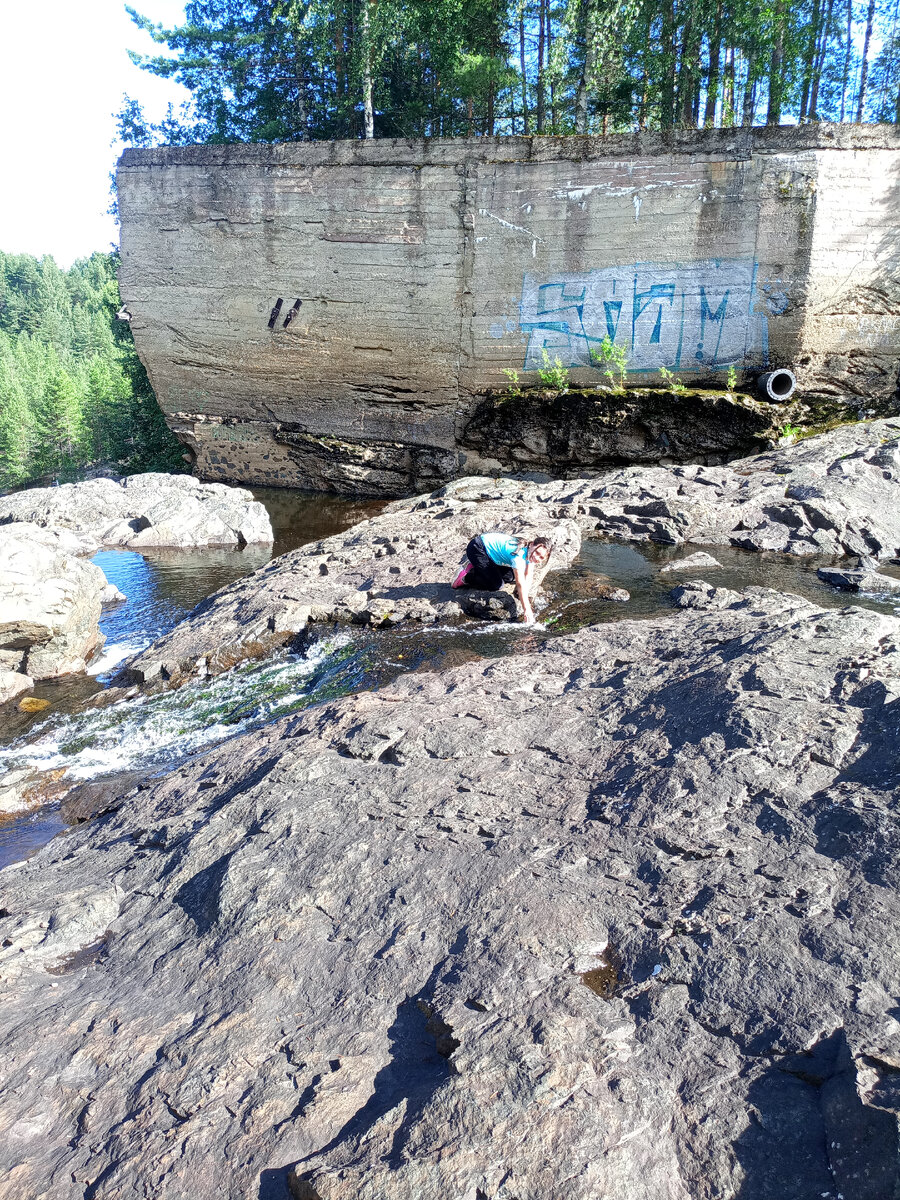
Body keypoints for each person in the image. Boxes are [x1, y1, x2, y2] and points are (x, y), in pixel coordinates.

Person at [452, 532, 553, 624]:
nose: (537, 558)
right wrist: (527, 610)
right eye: (537, 553)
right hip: (477, 548)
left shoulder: (530, 552)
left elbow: (528, 574)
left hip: (491, 555)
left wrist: (524, 595)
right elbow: (520, 584)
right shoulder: (519, 556)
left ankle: (479, 567)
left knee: (511, 576)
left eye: (541, 557)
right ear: (531, 545)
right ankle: (466, 576)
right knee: (496, 584)